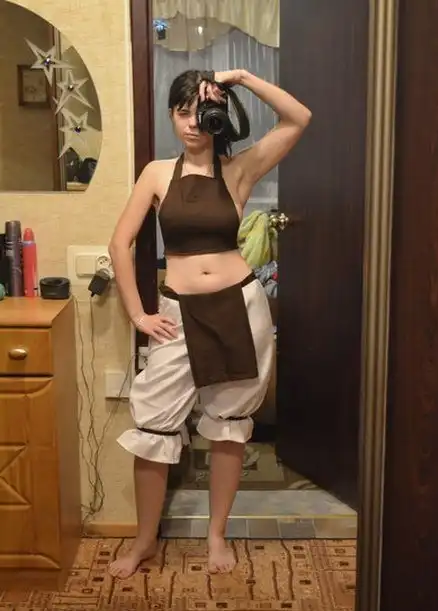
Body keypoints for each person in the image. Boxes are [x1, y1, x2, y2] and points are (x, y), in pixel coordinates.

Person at [108, 68, 311, 579]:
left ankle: (216, 533)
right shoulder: (156, 173)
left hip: (239, 307)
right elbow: (120, 243)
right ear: (171, 116)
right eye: (182, 112)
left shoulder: (238, 171)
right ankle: (144, 541)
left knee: (228, 428)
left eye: (202, 112)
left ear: (219, 116)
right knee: (154, 423)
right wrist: (138, 313)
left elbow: (298, 118)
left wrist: (240, 76)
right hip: (177, 313)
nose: (192, 123)